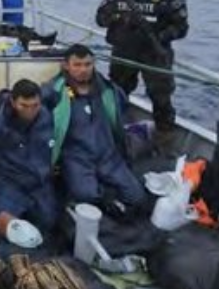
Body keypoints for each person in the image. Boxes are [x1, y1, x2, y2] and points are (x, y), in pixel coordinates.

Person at [43, 44, 147, 214]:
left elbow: (123, 114)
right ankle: (106, 198)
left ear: (94, 65)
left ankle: (111, 197)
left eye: (87, 64)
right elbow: (30, 110)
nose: (83, 70)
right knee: (87, 195)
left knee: (136, 197)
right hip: (77, 158)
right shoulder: (53, 92)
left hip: (108, 156)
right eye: (77, 65)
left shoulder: (109, 90)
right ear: (66, 66)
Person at [95, 0, 189, 135]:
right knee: (117, 92)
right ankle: (112, 131)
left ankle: (164, 136)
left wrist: (159, 36)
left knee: (161, 98)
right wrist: (119, 19)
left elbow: (181, 28)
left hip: (154, 54)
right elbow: (100, 18)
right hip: (124, 51)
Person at [0, 78, 59, 235]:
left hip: (39, 181)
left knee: (48, 223)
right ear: (13, 102)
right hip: (10, 181)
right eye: (24, 106)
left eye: (35, 105)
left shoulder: (47, 116)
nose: (30, 111)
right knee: (6, 227)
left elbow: (57, 92)